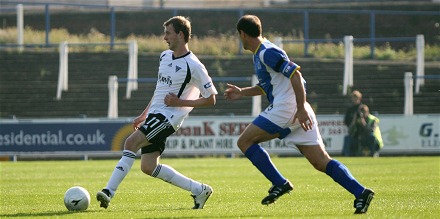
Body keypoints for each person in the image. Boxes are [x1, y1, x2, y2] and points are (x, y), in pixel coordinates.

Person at [224, 15, 374, 214]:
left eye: (238, 36)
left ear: (242, 34)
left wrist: (301, 108)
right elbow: (268, 86)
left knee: (244, 142)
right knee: (320, 161)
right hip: (295, 108)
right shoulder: (262, 52)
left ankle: (280, 183)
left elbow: (296, 74)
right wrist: (242, 92)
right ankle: (361, 192)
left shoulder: (267, 52)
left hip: (288, 108)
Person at [97, 16, 217, 210]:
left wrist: (180, 102)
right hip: (155, 115)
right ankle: (199, 189)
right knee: (148, 166)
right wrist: (145, 114)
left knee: (130, 142)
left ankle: (109, 192)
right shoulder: (164, 56)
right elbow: (160, 90)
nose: (164, 37)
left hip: (169, 117)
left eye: (168, 33)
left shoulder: (194, 65)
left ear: (180, 34)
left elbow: (211, 98)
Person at [343, 90, 363, 156]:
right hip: (352, 132)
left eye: (356, 98)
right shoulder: (350, 109)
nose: (354, 99)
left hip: (361, 132)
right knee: (347, 138)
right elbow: (346, 121)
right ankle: (346, 154)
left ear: (359, 98)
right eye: (353, 98)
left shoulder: (362, 108)